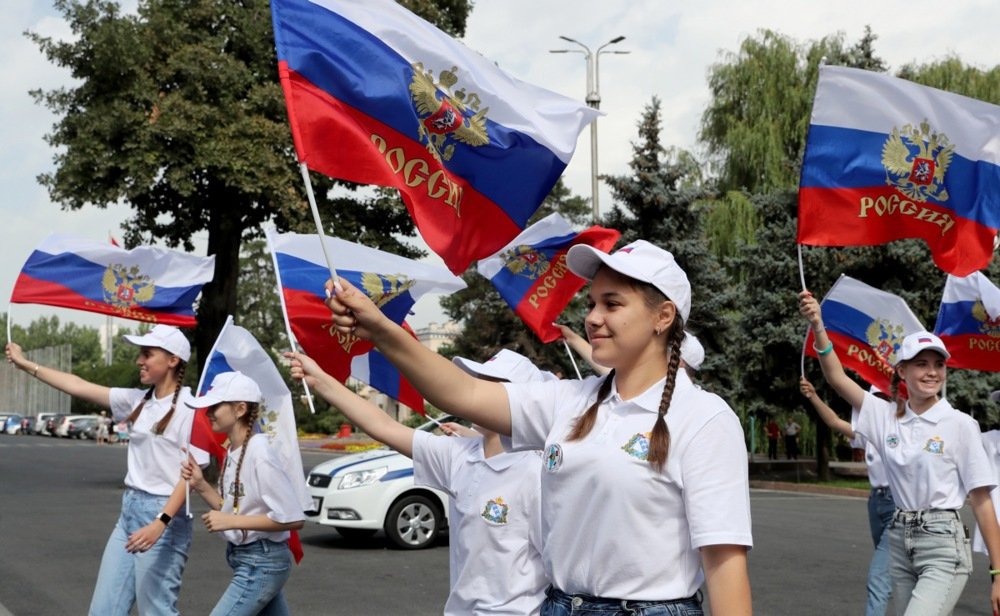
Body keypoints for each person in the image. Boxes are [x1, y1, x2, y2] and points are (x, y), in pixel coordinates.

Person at [327, 239, 753, 615]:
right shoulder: (568, 401)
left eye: (612, 303)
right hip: (559, 604)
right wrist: (380, 329)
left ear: (663, 316)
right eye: (591, 304)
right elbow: (463, 394)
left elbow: (724, 565)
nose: (593, 318)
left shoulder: (705, 419)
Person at [286, 348, 549, 616]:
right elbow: (385, 427)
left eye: (490, 385)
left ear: (520, 401)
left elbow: (560, 570)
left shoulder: (539, 473)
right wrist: (320, 379)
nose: (476, 391)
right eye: (477, 382)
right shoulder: (460, 455)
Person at [800, 290, 1000, 614]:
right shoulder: (884, 417)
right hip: (900, 539)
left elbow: (981, 501)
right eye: (921, 364)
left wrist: (998, 572)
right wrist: (818, 325)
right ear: (902, 372)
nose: (931, 372)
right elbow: (836, 379)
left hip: (943, 544)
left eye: (938, 365)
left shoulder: (960, 425)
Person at [6, 324, 206, 616]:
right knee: (103, 611)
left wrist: (160, 522)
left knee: (157, 611)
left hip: (165, 518)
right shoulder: (138, 400)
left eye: (147, 354)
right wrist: (25, 365)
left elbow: (191, 476)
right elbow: (78, 385)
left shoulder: (193, 408)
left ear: (173, 360)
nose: (139, 360)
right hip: (129, 513)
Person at [180, 371, 304, 616]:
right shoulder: (234, 451)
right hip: (249, 559)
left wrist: (231, 521)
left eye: (215, 406)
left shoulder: (260, 453)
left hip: (262, 562)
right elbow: (234, 507)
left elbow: (292, 518)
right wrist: (202, 485)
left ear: (240, 409)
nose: (208, 413)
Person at [800, 377, 894, 616]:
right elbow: (833, 421)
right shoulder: (870, 432)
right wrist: (813, 396)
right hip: (876, 504)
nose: (881, 403)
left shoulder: (903, 428)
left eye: (885, 398)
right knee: (889, 572)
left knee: (878, 577)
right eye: (877, 399)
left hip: (898, 507)